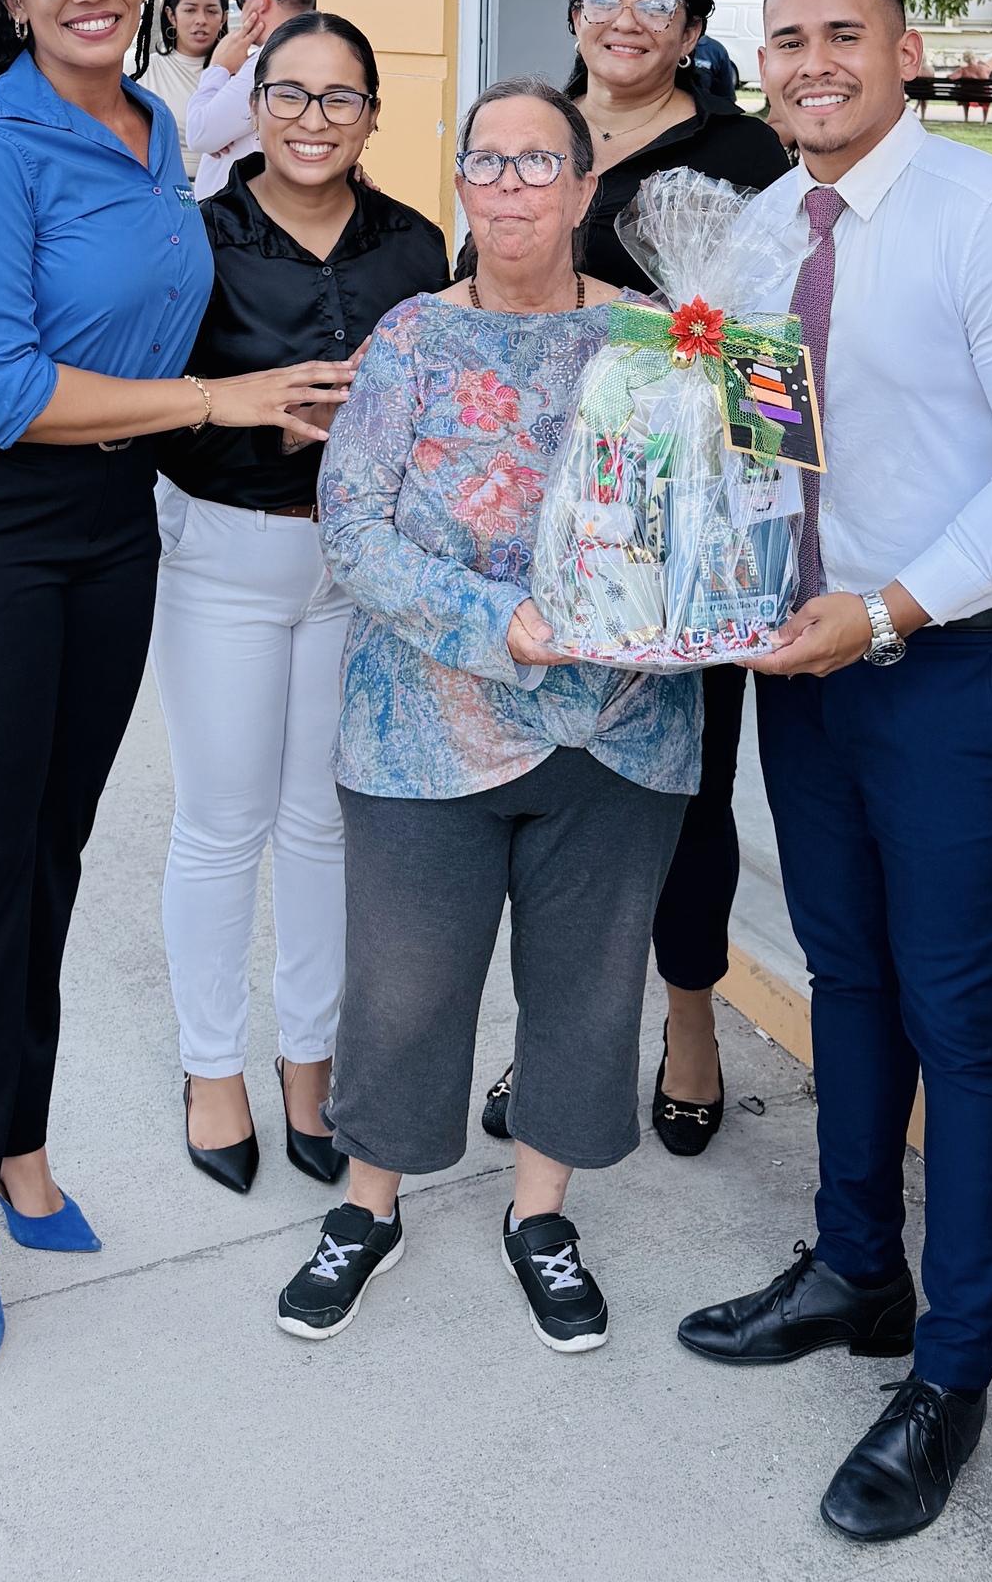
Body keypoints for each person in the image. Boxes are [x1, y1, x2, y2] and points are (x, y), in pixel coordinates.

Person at [0, 0, 355, 1384]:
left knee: (51, 855)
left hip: (102, 527)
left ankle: (18, 1143)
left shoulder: (152, 127)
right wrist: (221, 403)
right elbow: (1, 386)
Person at [675, 0, 992, 1543]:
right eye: (784, 39)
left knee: (960, 1018)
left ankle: (949, 1371)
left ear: (905, 53)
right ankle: (857, 1266)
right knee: (844, 978)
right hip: (812, 662)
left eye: (840, 36)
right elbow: (756, 439)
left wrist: (892, 608)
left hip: (965, 672)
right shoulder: (753, 225)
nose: (809, 63)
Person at [274, 79, 700, 1356]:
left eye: (539, 163)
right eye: (489, 164)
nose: (512, 186)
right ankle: (369, 1206)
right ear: (464, 186)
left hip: (622, 730)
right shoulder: (409, 338)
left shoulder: (668, 339)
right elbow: (348, 527)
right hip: (426, 725)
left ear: (584, 189)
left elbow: (730, 519)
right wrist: (488, 620)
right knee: (404, 988)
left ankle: (542, 1216)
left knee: (585, 989)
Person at [476, 0, 789, 1160]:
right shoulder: (529, 130)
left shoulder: (747, 153)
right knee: (545, 781)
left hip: (689, 530)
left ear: (693, 31)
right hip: (541, 521)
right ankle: (556, 1039)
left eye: (656, 4)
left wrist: (765, 506)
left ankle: (691, 1016)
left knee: (688, 782)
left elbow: (779, 343)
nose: (625, 21)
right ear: (573, 13)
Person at [152, 10, 448, 1196]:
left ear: (373, 113)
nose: (313, 120)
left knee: (328, 822)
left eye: (341, 98)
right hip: (223, 553)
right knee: (224, 820)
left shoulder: (418, 247)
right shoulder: (192, 237)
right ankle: (210, 1066)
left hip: (359, 572)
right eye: (289, 94)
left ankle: (309, 1057)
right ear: (251, 105)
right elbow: (144, 387)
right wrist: (231, 401)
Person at [183, 0, 314, 195]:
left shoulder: (271, 58)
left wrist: (218, 67)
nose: (242, 12)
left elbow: (200, 133)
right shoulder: (318, 49)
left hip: (237, 219)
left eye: (242, 1)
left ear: (261, 0)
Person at [139, 0, 230, 126]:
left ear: (223, 18)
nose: (201, 20)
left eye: (211, 11)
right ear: (171, 16)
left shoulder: (239, 74)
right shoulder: (141, 70)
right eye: (190, 10)